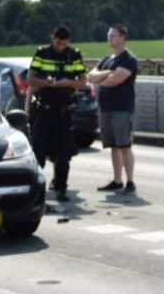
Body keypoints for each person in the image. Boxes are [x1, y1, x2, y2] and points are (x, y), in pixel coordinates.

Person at [27, 24, 87, 200]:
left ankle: (61, 187)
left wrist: (67, 82)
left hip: (64, 110)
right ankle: (34, 188)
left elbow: (83, 82)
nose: (61, 47)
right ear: (52, 38)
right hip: (45, 109)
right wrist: (46, 82)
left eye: (65, 44)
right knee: (38, 150)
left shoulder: (74, 55)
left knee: (64, 152)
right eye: (58, 43)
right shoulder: (42, 53)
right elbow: (30, 79)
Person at [87, 23, 138, 194]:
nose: (109, 37)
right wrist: (107, 73)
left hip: (122, 108)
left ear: (123, 37)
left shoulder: (128, 59)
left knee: (124, 145)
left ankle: (130, 181)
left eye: (113, 34)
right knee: (113, 146)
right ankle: (117, 180)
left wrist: (103, 77)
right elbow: (90, 76)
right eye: (108, 34)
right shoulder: (106, 59)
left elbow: (115, 80)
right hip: (106, 108)